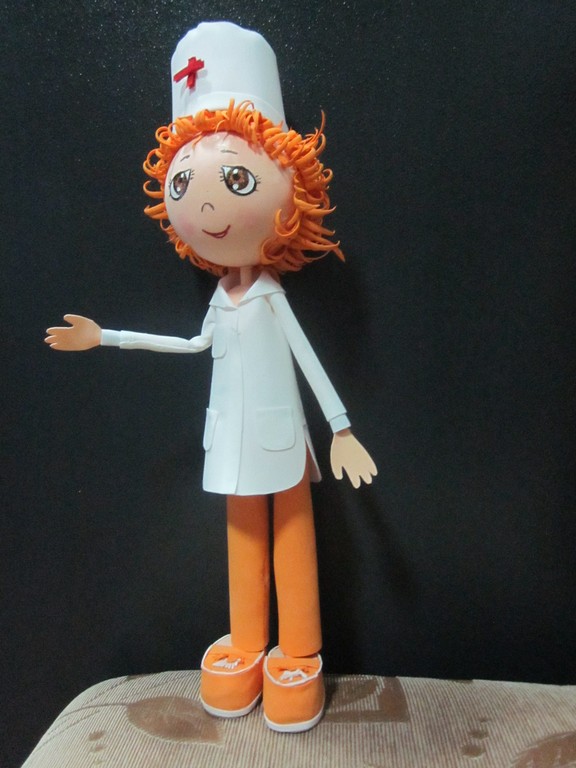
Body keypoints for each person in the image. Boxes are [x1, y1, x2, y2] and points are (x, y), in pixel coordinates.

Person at [45, 22, 377, 733]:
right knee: (241, 542)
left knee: (292, 535)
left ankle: (299, 651)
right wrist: (109, 337)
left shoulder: (271, 296)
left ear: (291, 187)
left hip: (281, 439)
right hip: (228, 440)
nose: (203, 205)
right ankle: (248, 644)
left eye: (235, 179)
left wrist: (342, 428)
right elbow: (192, 345)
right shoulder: (221, 301)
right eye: (183, 183)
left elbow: (309, 360)